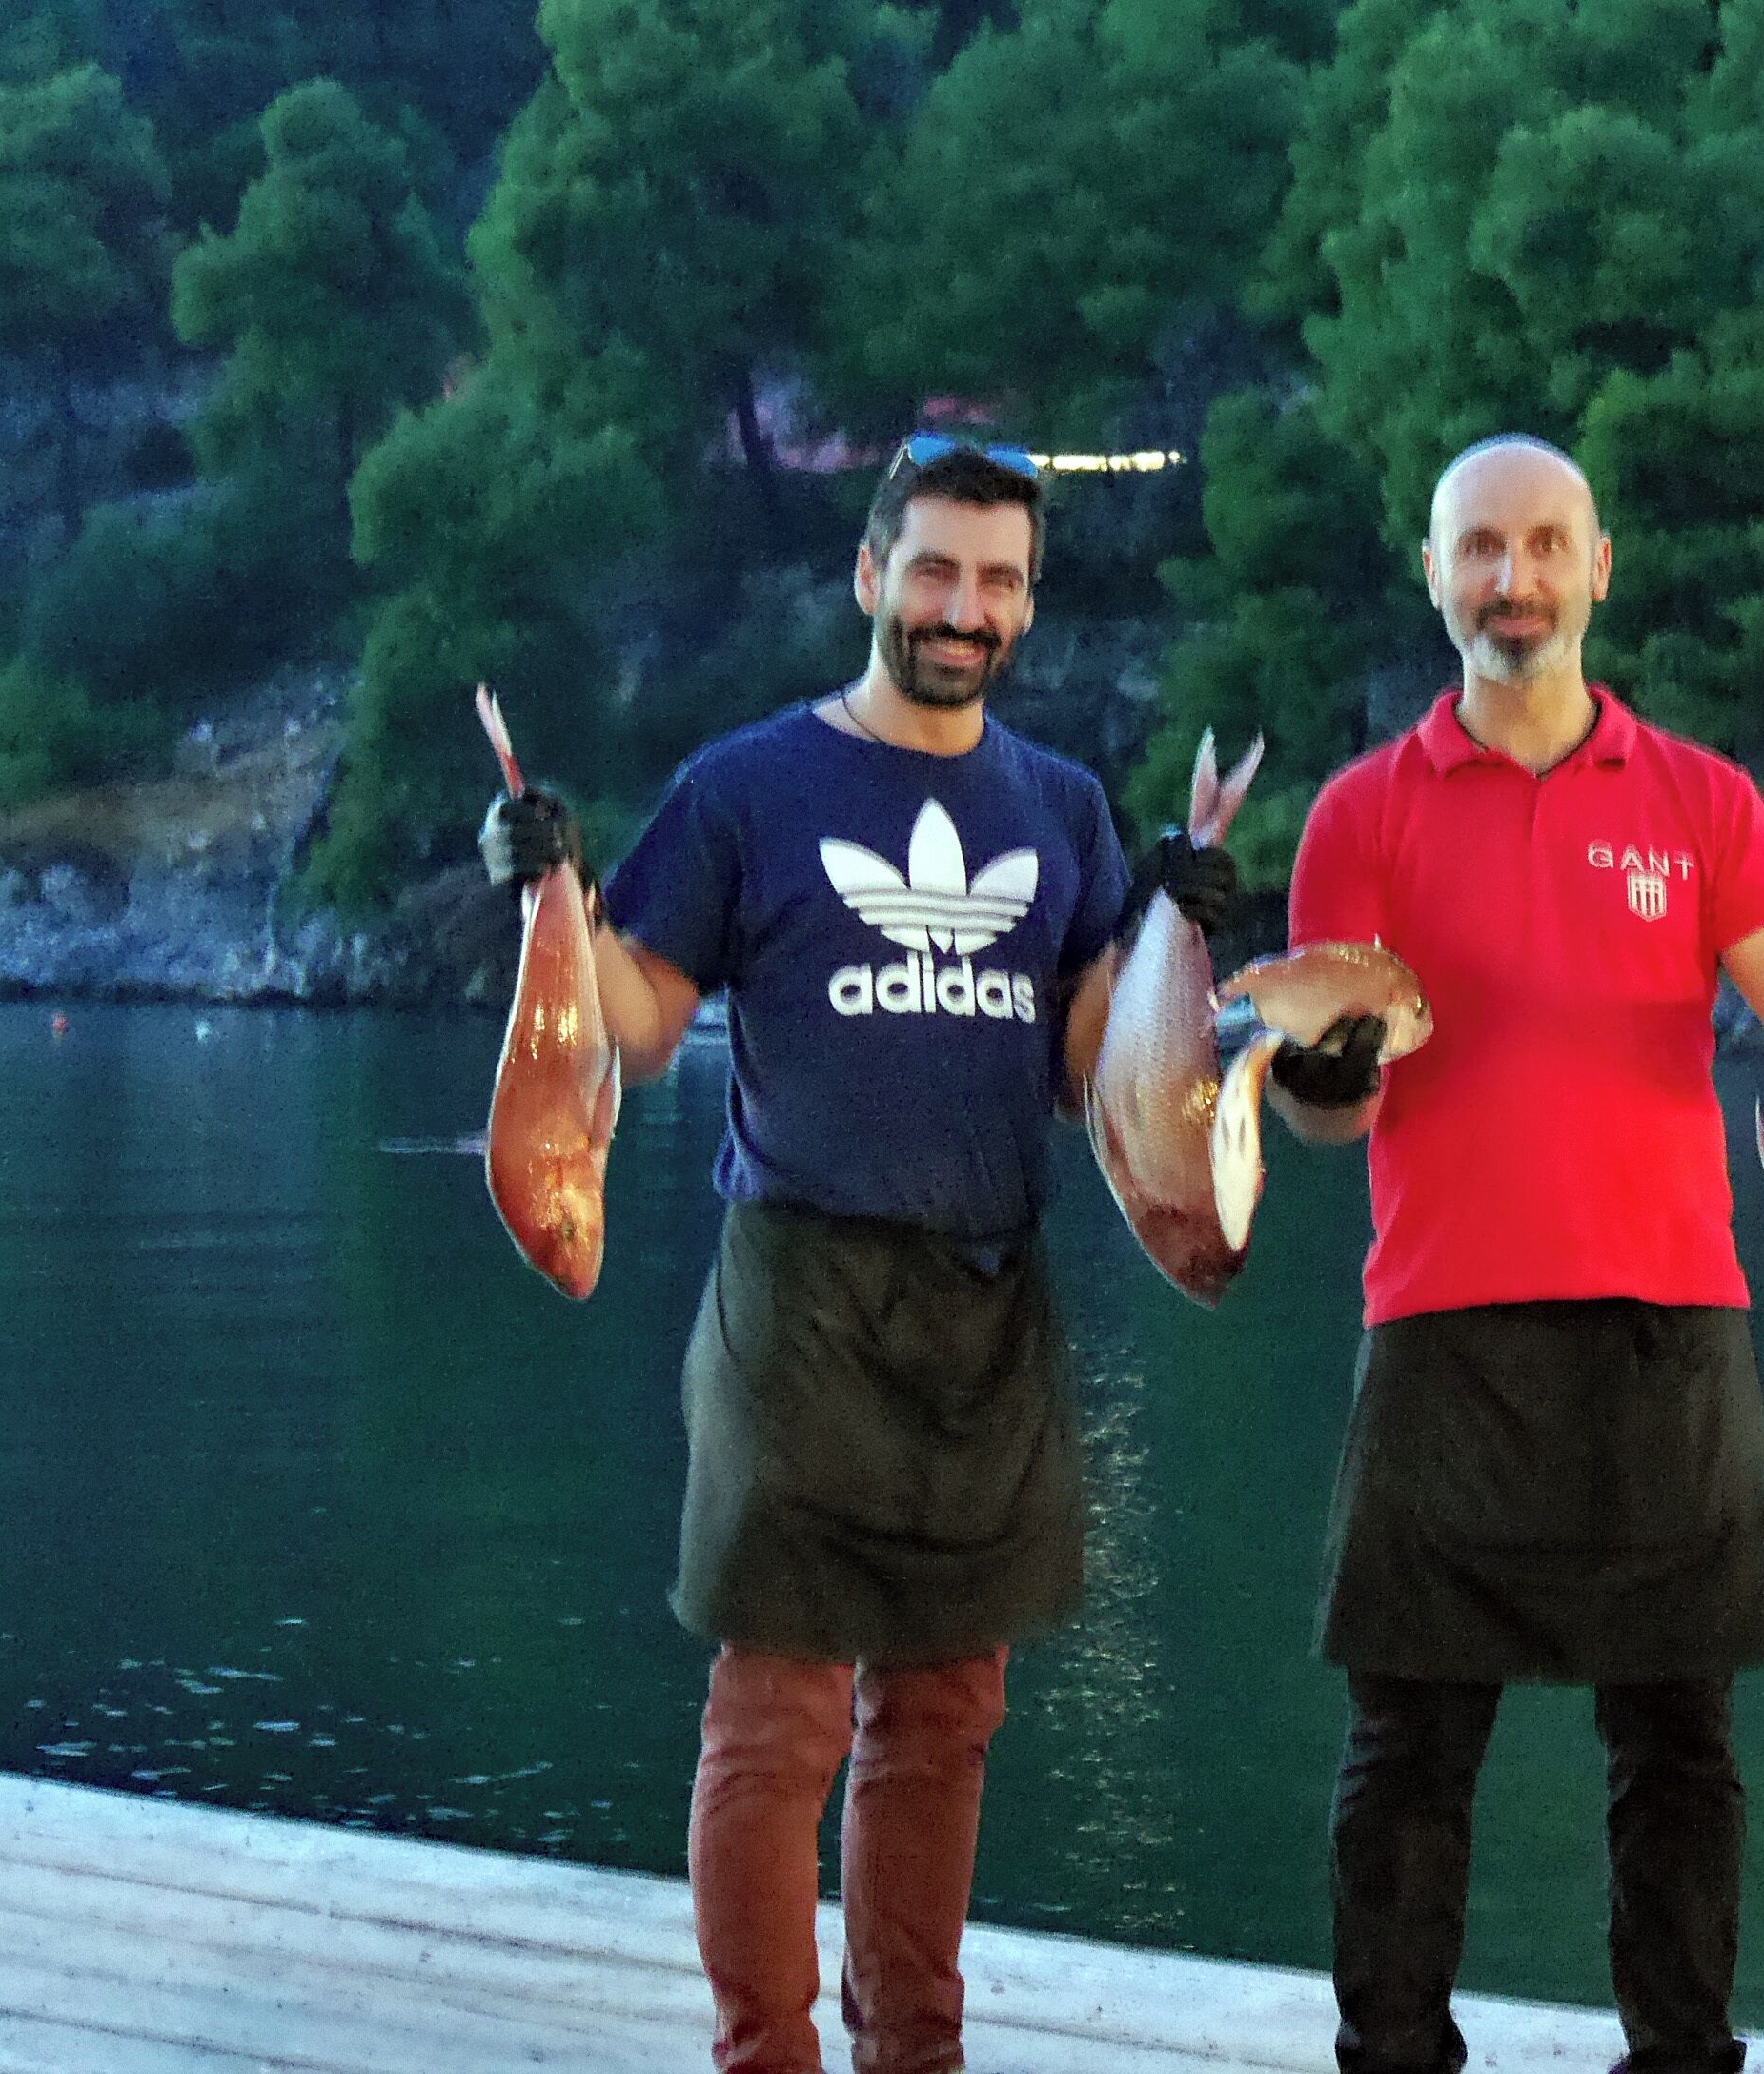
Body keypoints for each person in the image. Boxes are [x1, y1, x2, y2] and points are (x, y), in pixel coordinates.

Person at [479, 433, 1236, 2074]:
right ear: (871, 576)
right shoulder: (748, 787)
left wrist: (1184, 929)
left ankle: (919, 2055)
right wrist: (553, 891)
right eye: (937, 570)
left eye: (998, 580)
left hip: (988, 1300)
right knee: (780, 1725)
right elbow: (642, 1023)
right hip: (799, 1298)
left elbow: (1104, 1073)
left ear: (1028, 605)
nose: (965, 607)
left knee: (947, 1721)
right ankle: (768, 2056)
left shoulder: (1063, 808)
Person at [1267, 434, 1764, 2074]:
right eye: (1481, 549)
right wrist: (1325, 1086)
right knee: (1405, 1749)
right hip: (1440, 1330)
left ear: (1600, 567)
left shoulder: (1700, 801)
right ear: (1435, 574)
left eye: (1547, 546)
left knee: (1681, 1750)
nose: (1516, 582)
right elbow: (1330, 1120)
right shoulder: (1361, 813)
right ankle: (1394, 2058)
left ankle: (1682, 2060)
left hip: (1666, 1328)